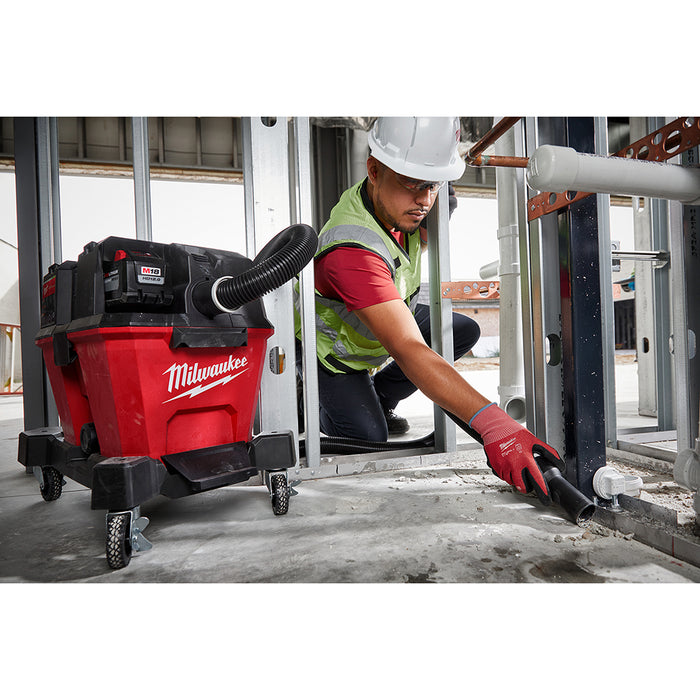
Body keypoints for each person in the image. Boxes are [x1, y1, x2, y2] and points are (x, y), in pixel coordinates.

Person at [295, 117, 563, 501]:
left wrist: (440, 187)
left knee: (463, 330)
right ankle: (313, 400)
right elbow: (408, 348)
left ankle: (381, 397)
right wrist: (495, 425)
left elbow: (424, 224)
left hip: (374, 327)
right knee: (370, 440)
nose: (423, 200)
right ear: (374, 170)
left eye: (432, 186)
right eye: (412, 184)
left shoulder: (398, 206)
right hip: (334, 355)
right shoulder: (352, 252)